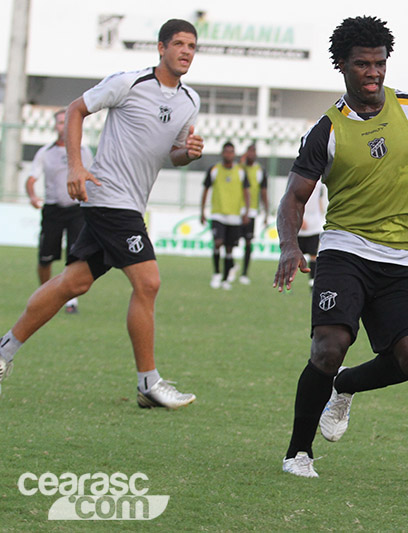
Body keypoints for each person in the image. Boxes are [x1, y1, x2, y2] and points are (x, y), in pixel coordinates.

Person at [273, 15, 408, 478]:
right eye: (363, 64)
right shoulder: (326, 131)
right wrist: (290, 246)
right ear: (342, 65)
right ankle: (298, 452)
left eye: (379, 63)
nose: (374, 72)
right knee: (329, 347)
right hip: (347, 249)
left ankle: (344, 388)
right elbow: (293, 198)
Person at [0, 19, 202, 408]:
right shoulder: (128, 82)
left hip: (129, 202)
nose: (186, 51)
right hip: (109, 197)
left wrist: (187, 154)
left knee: (72, 283)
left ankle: (5, 351)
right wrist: (76, 167)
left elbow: (174, 155)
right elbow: (75, 110)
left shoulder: (190, 101)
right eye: (178, 43)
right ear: (161, 48)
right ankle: (148, 383)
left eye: (192, 46)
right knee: (148, 281)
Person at [25, 108, 94, 314]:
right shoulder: (45, 153)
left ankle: (70, 302)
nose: (63, 126)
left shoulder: (84, 151)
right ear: (55, 126)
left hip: (76, 211)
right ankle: (43, 295)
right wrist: (33, 196)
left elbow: (91, 176)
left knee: (75, 255)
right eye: (60, 122)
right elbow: (31, 179)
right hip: (53, 210)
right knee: (45, 257)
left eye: (67, 122)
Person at [200, 141, 250, 290]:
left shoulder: (240, 171)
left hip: (234, 216)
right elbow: (205, 190)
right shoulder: (214, 169)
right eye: (226, 151)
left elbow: (246, 192)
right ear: (222, 153)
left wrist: (246, 211)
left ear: (234, 154)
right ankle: (216, 273)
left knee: (229, 249)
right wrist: (202, 210)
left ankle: (225, 279)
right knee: (218, 243)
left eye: (231, 152)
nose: (228, 154)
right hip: (218, 214)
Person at [238, 143, 268, 285]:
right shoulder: (239, 168)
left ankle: (244, 273)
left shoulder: (260, 170)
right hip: (235, 211)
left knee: (248, 243)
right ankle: (228, 268)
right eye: (249, 151)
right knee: (229, 243)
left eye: (253, 151)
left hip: (251, 212)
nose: (251, 154)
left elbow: (264, 192)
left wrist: (267, 213)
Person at [297, 179, 326, 288]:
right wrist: (300, 218)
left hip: (315, 225)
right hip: (301, 225)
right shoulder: (301, 179)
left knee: (313, 255)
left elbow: (320, 200)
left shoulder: (321, 183)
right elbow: (296, 199)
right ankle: (287, 283)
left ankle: (312, 283)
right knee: (295, 256)